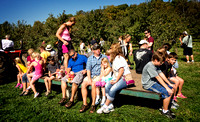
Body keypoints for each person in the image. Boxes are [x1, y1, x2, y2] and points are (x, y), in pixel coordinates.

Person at [97, 43, 131, 114]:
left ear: (115, 50)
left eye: (111, 48)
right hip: (118, 77)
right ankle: (110, 104)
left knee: (113, 89)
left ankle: (105, 106)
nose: (110, 49)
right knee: (107, 86)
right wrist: (113, 79)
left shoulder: (119, 58)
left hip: (125, 78)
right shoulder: (115, 58)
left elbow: (121, 71)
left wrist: (116, 81)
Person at [141, 51, 176, 119]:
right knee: (167, 93)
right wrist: (167, 88)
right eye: (161, 62)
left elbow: (161, 74)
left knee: (172, 88)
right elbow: (158, 77)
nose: (162, 63)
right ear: (156, 60)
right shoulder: (150, 66)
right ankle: (165, 111)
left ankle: (168, 104)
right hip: (148, 84)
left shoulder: (156, 65)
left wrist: (169, 84)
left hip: (154, 82)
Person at [79, 44, 108, 113]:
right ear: (93, 50)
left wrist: (103, 74)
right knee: (83, 85)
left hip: (99, 75)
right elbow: (88, 69)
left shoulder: (104, 57)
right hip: (91, 75)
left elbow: (109, 66)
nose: (98, 50)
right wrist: (89, 78)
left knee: (93, 84)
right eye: (96, 49)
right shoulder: (90, 58)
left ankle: (93, 104)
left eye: (99, 49)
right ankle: (85, 104)